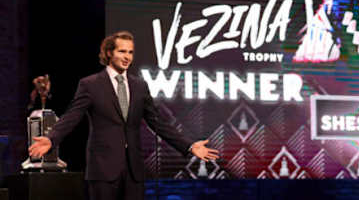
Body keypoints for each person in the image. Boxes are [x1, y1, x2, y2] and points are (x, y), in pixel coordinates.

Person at [29, 31, 219, 200]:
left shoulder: (139, 86)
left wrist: (189, 146)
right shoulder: (90, 84)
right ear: (109, 53)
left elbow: (158, 123)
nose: (127, 57)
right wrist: (51, 139)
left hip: (133, 171)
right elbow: (73, 116)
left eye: (130, 52)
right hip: (103, 170)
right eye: (122, 51)